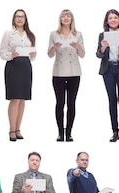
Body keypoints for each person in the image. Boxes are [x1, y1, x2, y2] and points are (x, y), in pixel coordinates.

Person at [48, 9, 85, 142]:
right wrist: (55, 47)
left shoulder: (78, 34)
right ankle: (60, 133)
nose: (66, 18)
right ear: (60, 19)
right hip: (58, 72)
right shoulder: (54, 34)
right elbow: (50, 54)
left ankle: (69, 132)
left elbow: (82, 54)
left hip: (74, 72)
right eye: (63, 16)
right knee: (59, 103)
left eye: (68, 16)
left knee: (71, 103)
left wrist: (77, 46)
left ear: (71, 19)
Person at [0, 9, 36, 142]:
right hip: (13, 66)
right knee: (14, 98)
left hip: (26, 66)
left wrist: (33, 55)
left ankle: (18, 128)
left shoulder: (30, 35)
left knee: (22, 99)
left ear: (26, 19)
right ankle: (11, 129)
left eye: (22, 17)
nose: (20, 19)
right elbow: (2, 53)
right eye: (17, 17)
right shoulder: (8, 34)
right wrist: (11, 55)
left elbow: (32, 55)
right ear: (14, 19)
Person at [97, 9, 119, 142]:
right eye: (110, 18)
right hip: (108, 70)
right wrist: (103, 47)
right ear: (107, 21)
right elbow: (98, 55)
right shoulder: (102, 35)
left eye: (115, 18)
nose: (113, 20)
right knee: (112, 100)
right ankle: (114, 131)